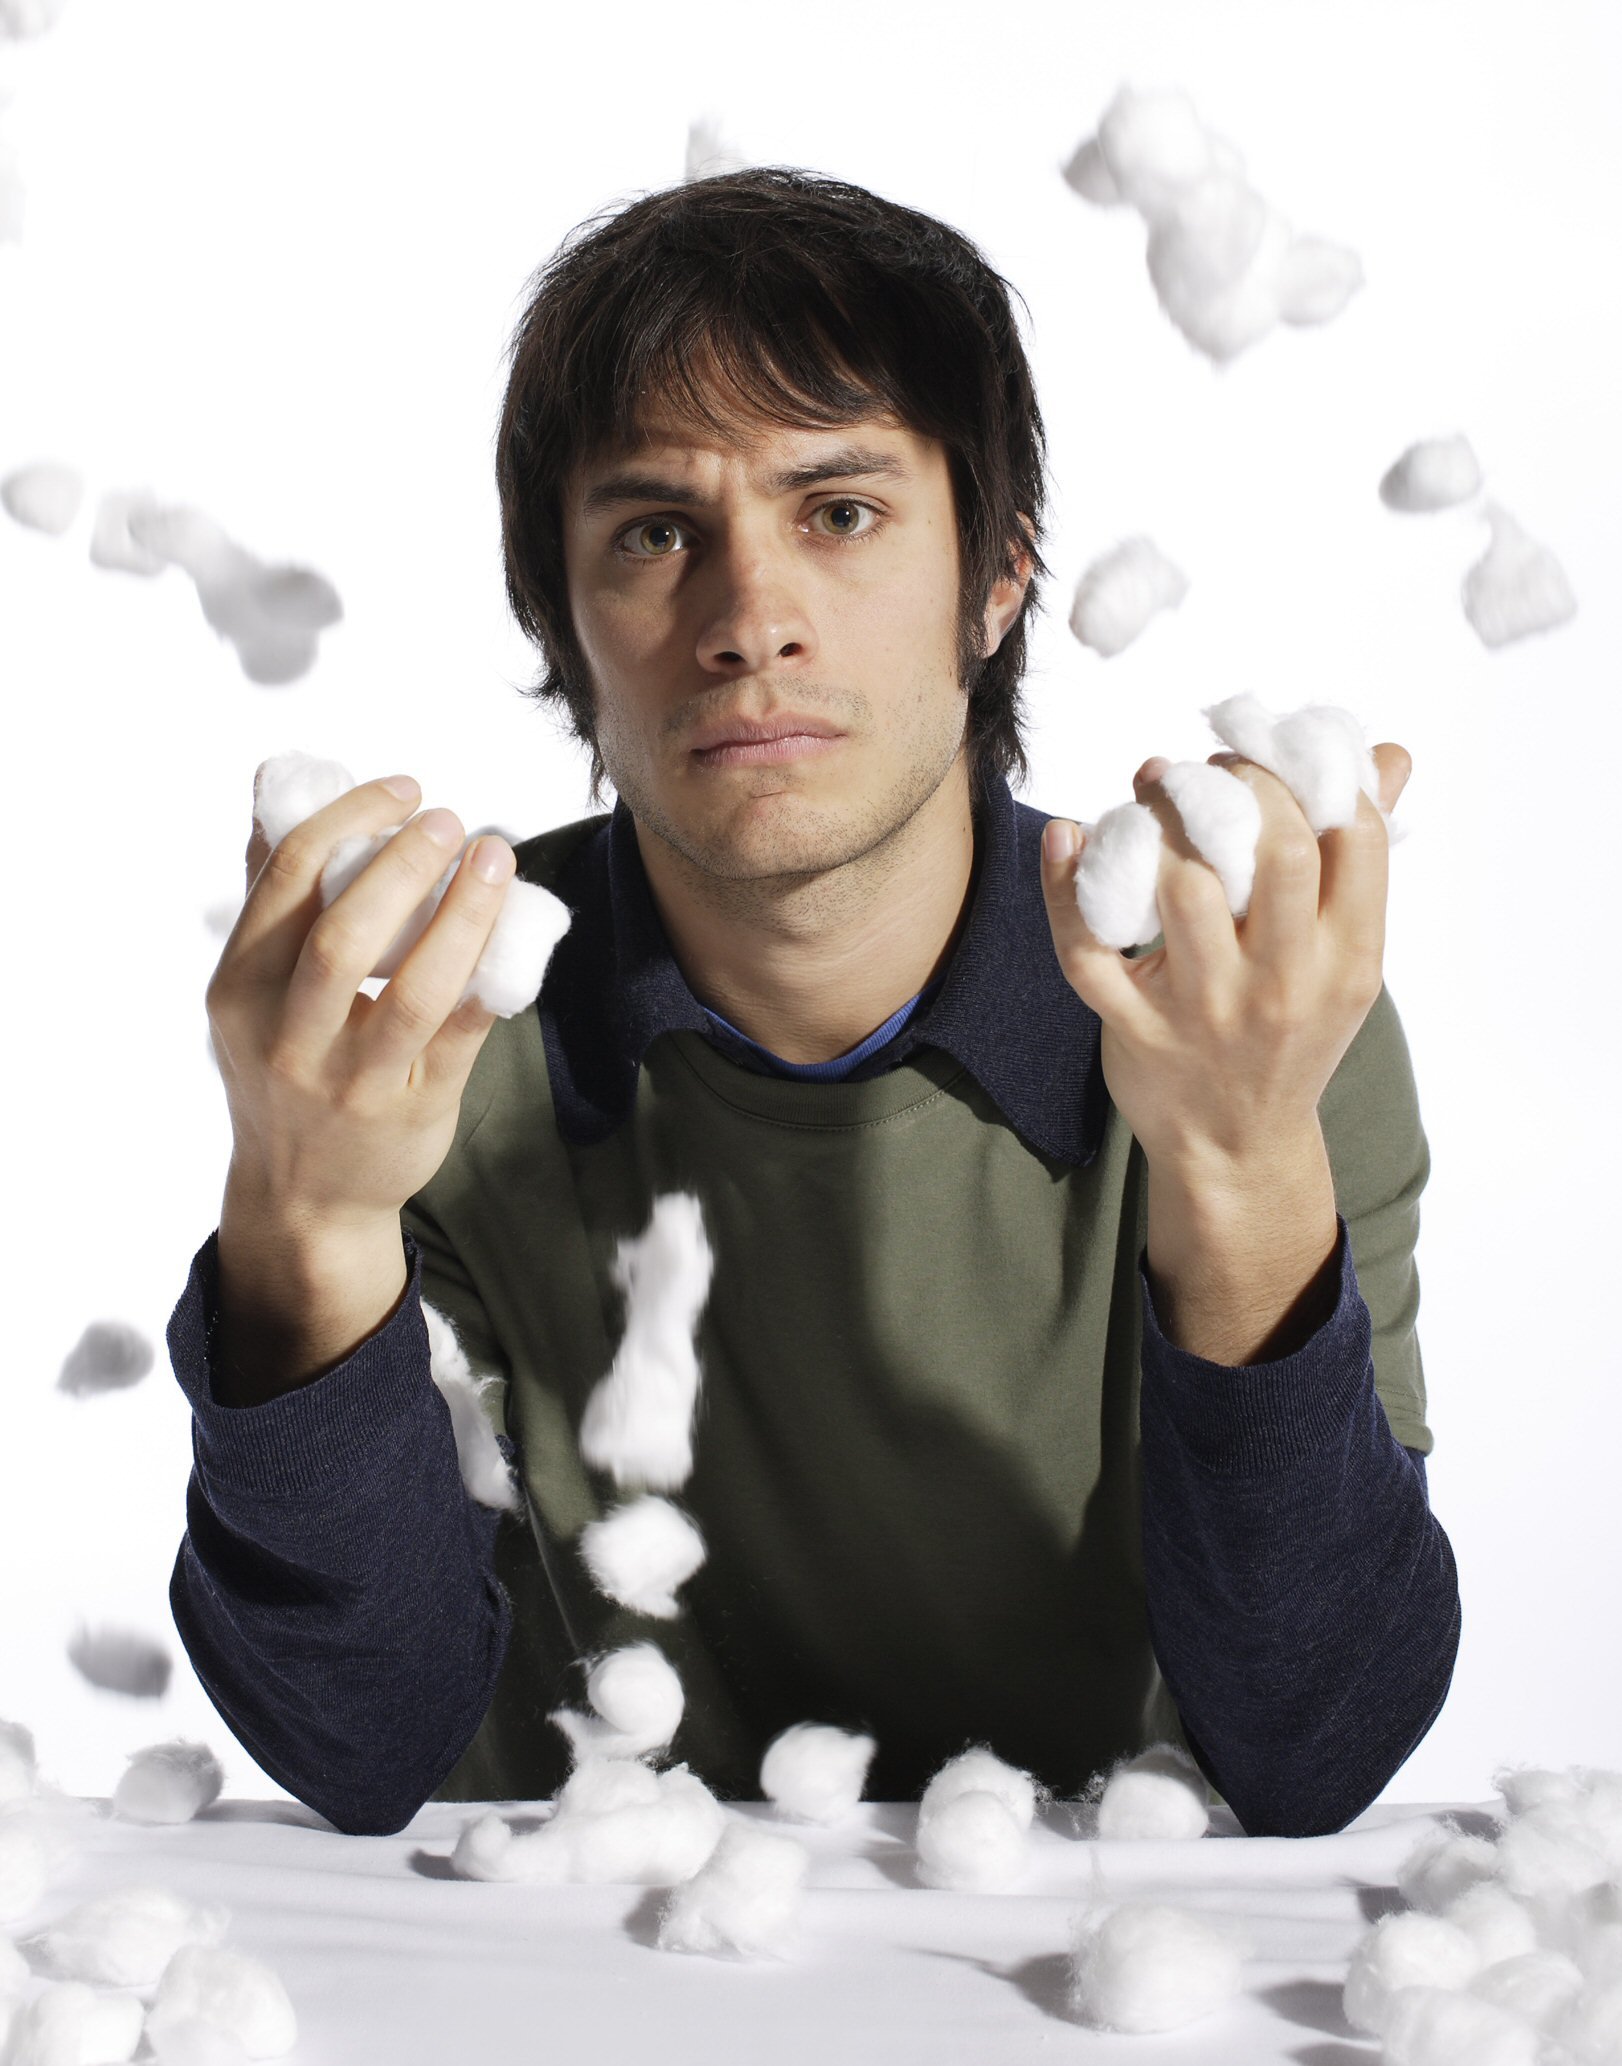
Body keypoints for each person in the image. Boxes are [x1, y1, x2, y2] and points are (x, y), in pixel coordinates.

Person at [167, 166, 1459, 1839]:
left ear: (996, 576)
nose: (749, 622)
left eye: (839, 513)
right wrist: (305, 1223)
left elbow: (1315, 1744)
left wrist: (1240, 1168)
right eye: (654, 532)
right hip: (545, 1950)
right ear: (562, 616)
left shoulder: (1232, 1011)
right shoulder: (427, 1038)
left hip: (1070, 1949)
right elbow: (359, 1744)